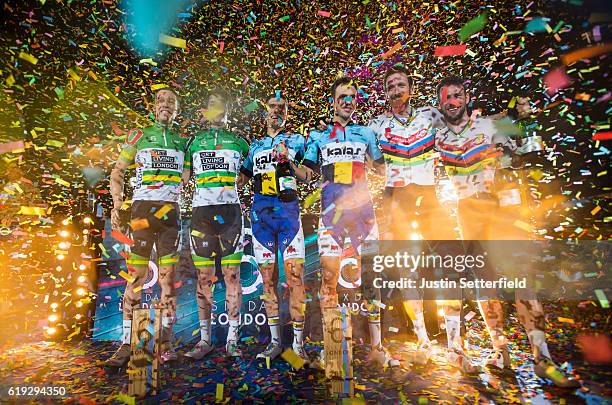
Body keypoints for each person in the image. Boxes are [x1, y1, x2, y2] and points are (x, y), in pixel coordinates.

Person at [434, 76, 579, 387]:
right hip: (467, 212)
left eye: (457, 94)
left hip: (499, 208)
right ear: (439, 104)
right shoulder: (437, 136)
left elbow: (518, 152)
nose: (452, 101)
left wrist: (504, 150)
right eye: (446, 97)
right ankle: (502, 354)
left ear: (467, 96)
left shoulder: (489, 125)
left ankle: (543, 358)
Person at [303, 77, 399, 369]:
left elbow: (383, 169)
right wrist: (285, 163)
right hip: (332, 219)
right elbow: (306, 175)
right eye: (342, 96)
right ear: (332, 101)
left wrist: (380, 166)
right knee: (329, 282)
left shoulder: (367, 134)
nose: (347, 101)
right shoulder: (318, 137)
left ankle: (377, 348)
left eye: (352, 97)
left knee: (370, 280)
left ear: (356, 101)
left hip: (364, 218)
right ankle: (332, 350)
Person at [368, 64, 460, 366]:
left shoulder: (430, 115)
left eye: (401, 84)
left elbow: (458, 131)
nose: (396, 90)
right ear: (385, 92)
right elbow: (370, 162)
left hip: (429, 195)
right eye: (391, 86)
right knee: (408, 272)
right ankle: (422, 340)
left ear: (411, 88)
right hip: (396, 199)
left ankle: (456, 343)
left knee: (449, 267)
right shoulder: (376, 124)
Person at [106, 88, 188, 367]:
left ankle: (165, 343)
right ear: (154, 107)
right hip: (141, 214)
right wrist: (117, 205)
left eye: (171, 102)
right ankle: (127, 345)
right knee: (136, 278)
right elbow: (117, 172)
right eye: (161, 100)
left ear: (177, 110)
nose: (166, 105)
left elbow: (188, 177)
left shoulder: (181, 142)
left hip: (170, 217)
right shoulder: (138, 136)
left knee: (168, 281)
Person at [237, 92, 310, 363]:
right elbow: (240, 180)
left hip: (289, 217)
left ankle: (298, 346)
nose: (277, 111)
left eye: (282, 107)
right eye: (273, 107)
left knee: (295, 280)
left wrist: (288, 161)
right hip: (262, 220)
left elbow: (307, 175)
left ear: (287, 113)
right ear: (266, 111)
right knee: (268, 282)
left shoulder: (298, 141)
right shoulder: (254, 146)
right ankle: (276, 343)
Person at [182, 90, 249, 360]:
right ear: (206, 110)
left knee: (232, 276)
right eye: (212, 104)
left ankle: (233, 338)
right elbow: (183, 177)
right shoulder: (194, 142)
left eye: (221, 104)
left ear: (227, 110)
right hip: (201, 215)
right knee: (204, 278)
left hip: (231, 214)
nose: (217, 108)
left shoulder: (240, 143)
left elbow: (248, 175)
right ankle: (205, 339)